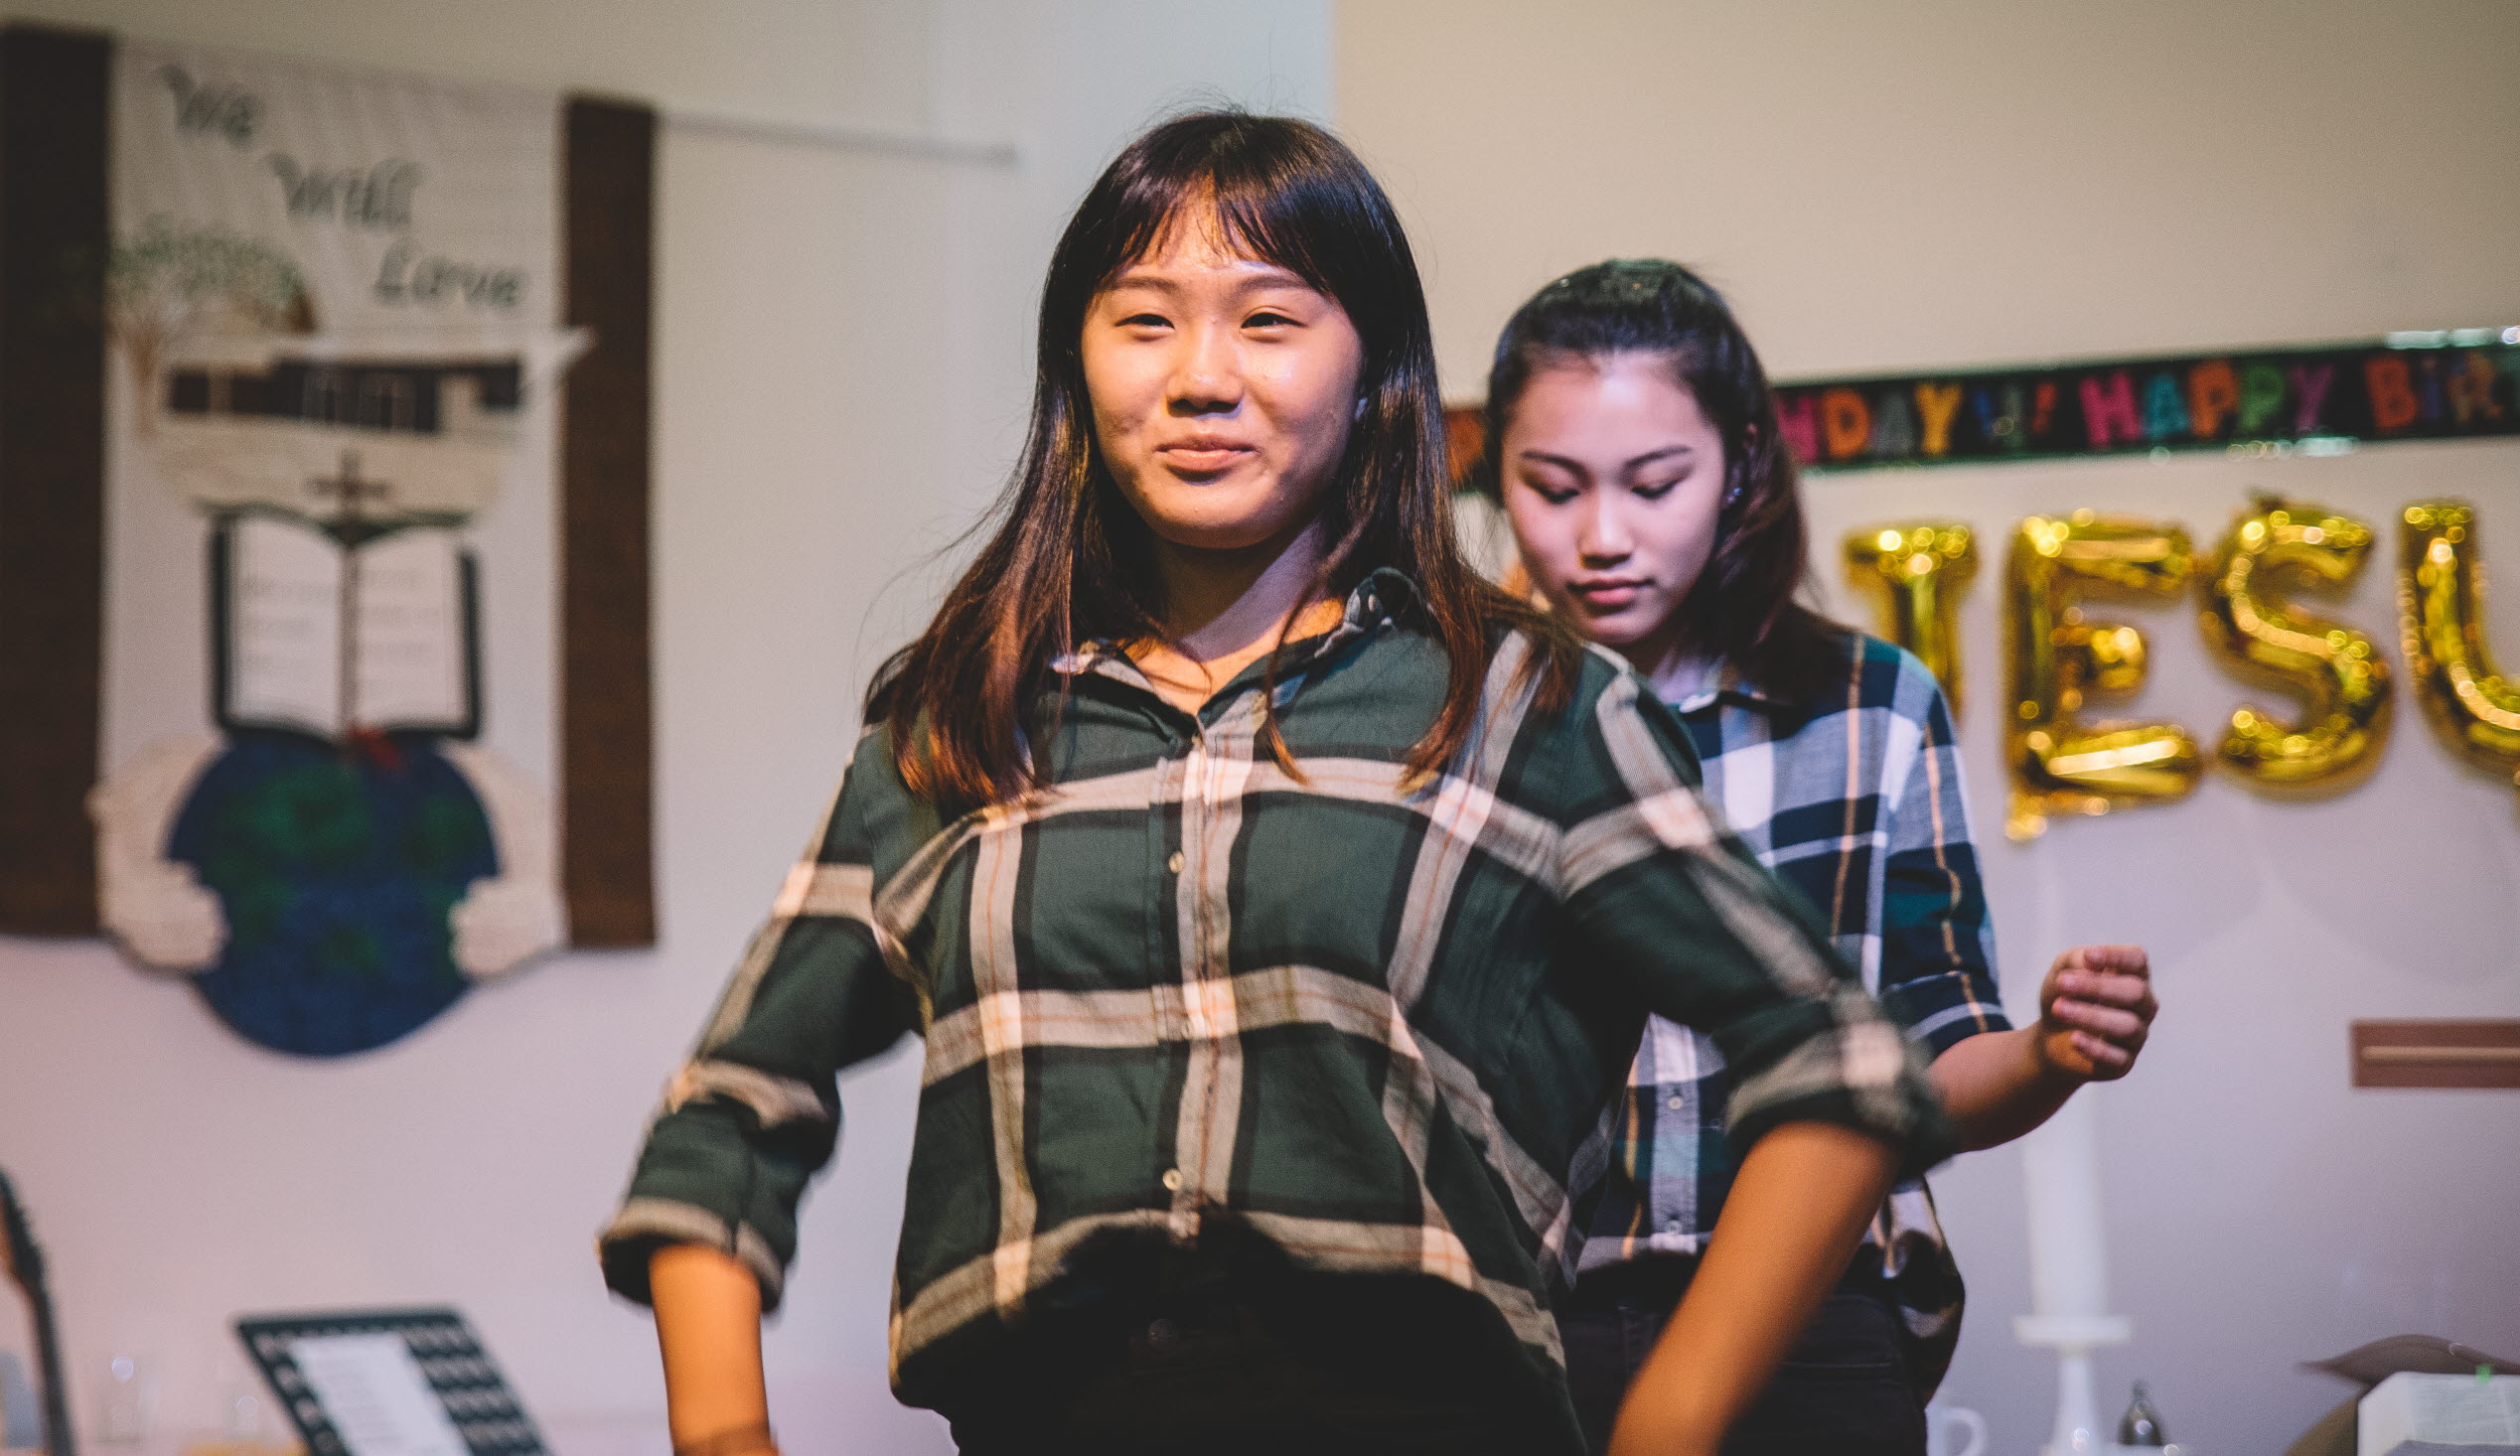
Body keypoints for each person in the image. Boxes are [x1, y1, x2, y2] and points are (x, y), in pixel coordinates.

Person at [599, 118, 1957, 1456]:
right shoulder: (961, 724)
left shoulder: (1526, 705)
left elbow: (1833, 1057)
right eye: (1144, 322)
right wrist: (723, 1434)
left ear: (1373, 373)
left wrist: (1665, 1424)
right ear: (1076, 365)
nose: (1202, 378)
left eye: (1267, 321)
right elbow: (728, 1108)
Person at [1482, 259, 2161, 1456]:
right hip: (1517, 1318)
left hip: (1814, 1321)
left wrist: (2048, 1056)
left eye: (1654, 484)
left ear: (1740, 465)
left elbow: (1928, 1062)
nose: (1601, 538)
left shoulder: (1865, 706)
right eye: (1551, 486)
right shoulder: (1456, 712)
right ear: (1496, 474)